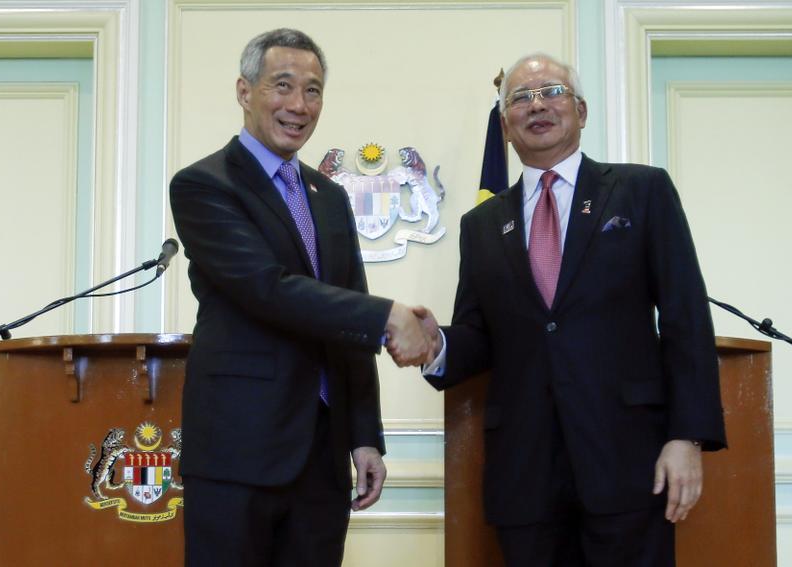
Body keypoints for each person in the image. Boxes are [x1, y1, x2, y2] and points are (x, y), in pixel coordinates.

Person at [405, 54, 726, 566]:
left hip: (629, 461)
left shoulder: (641, 191)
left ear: (580, 110)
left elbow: (686, 318)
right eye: (520, 98)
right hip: (526, 473)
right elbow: (480, 333)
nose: (536, 105)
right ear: (506, 125)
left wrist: (686, 437)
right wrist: (436, 344)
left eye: (550, 92)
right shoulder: (482, 224)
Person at [170, 28, 430, 567]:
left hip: (322, 455)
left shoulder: (330, 196)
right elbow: (267, 289)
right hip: (236, 450)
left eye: (313, 90)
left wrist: (365, 436)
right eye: (282, 85)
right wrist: (388, 316)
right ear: (244, 92)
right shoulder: (203, 185)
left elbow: (345, 309)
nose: (299, 105)